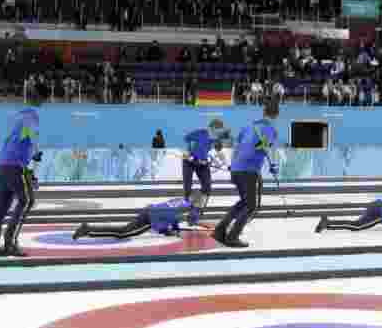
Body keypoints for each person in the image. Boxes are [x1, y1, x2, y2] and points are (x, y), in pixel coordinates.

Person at [213, 98, 279, 248]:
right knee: (250, 205)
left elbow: (239, 146)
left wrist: (234, 166)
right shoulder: (270, 130)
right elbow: (263, 147)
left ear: (264, 112)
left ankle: (219, 230)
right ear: (276, 115)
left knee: (244, 202)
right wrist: (273, 165)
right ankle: (232, 236)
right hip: (248, 170)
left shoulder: (249, 126)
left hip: (236, 169)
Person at [0, 107, 41, 258]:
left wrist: (31, 172)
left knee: (1, 208)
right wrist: (36, 155)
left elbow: (23, 152)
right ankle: (10, 242)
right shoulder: (28, 125)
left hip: (2, 166)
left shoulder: (13, 132)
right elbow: (34, 150)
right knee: (27, 200)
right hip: (14, 166)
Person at [74, 192, 207, 240]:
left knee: (122, 231)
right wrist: (165, 230)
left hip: (149, 211)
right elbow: (158, 224)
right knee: (122, 233)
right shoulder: (184, 209)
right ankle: (88, 230)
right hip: (150, 218)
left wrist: (173, 229)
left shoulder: (181, 202)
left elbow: (172, 219)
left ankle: (88, 229)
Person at [183, 118, 226, 203]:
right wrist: (188, 152)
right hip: (189, 161)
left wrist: (224, 164)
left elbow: (219, 153)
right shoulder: (200, 133)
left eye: (220, 132)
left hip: (202, 162)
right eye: (218, 131)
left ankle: (197, 203)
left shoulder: (216, 140)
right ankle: (188, 200)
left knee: (207, 187)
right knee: (187, 186)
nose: (219, 134)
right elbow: (186, 139)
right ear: (212, 128)